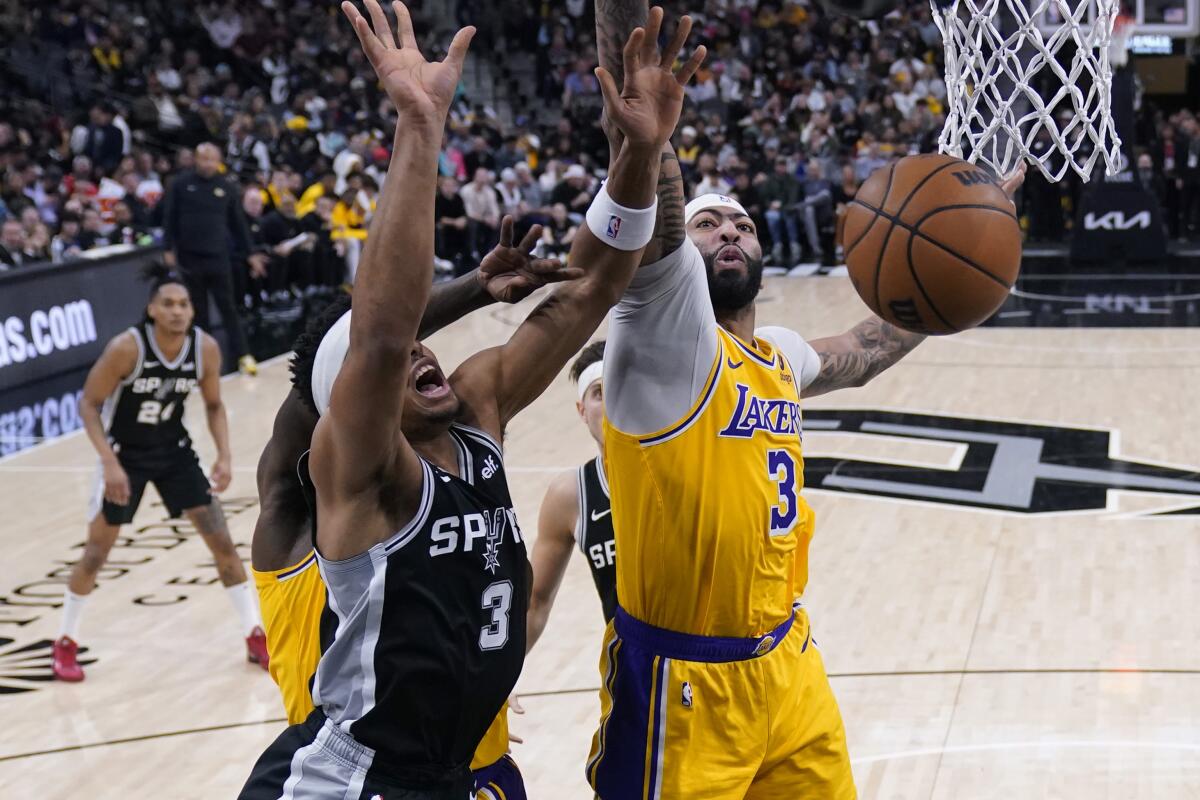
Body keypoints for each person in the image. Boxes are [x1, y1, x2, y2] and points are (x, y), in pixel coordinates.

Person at [238, 3, 700, 798]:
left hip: (461, 772)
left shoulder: (477, 408)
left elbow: (593, 281)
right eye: (394, 352)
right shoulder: (362, 469)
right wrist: (420, 126)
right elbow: (381, 337)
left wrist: (640, 155)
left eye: (428, 338)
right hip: (360, 779)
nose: (421, 347)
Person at [585, 2, 1027, 797]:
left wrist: (970, 247)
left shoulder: (777, 355)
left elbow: (865, 351)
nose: (728, 233)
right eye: (709, 222)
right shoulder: (666, 337)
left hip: (789, 667)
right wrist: (639, 112)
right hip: (683, 689)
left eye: (743, 225)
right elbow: (656, 209)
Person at [251, 224, 576, 798]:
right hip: (359, 773)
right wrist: (475, 288)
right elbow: (371, 350)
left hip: (474, 760)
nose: (402, 351)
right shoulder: (290, 505)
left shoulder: (435, 478)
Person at [51, 266, 267, 683]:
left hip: (174, 452)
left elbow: (214, 405)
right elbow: (89, 405)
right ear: (151, 309)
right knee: (96, 553)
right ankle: (65, 641)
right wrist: (109, 462)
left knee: (222, 542)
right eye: (167, 304)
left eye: (184, 304)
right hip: (125, 455)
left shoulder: (204, 348)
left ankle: (254, 633)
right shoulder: (126, 348)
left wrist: (223, 454)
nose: (177, 311)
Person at [526, 341, 615, 653]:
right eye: (599, 393)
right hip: (631, 674)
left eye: (621, 387)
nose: (612, 402)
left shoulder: (681, 470)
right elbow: (534, 603)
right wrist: (498, 675)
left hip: (707, 663)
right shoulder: (571, 496)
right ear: (582, 411)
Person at [160, 142, 259, 376]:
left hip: (218, 257)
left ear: (219, 161)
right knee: (198, 312)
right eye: (202, 158)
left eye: (211, 159)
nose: (206, 163)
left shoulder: (226, 187)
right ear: (195, 159)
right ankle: (202, 362)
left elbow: (238, 224)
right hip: (189, 257)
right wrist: (167, 248)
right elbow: (169, 217)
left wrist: (251, 254)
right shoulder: (181, 184)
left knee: (229, 309)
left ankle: (244, 355)